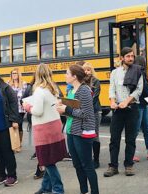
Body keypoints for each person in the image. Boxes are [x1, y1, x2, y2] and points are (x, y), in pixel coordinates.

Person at [23, 63, 67, 194]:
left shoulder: (39, 91)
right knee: (50, 159)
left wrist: (27, 106)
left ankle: (58, 189)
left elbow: (37, 111)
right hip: (55, 126)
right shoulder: (53, 89)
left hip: (43, 129)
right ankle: (46, 187)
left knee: (47, 161)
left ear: (37, 74)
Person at [57, 64, 99, 194]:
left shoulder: (84, 90)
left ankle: (94, 191)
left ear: (74, 77)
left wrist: (66, 109)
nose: (65, 75)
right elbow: (72, 111)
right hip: (71, 131)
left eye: (67, 73)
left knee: (87, 165)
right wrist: (62, 109)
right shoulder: (70, 90)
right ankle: (84, 191)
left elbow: (86, 113)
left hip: (82, 132)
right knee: (77, 165)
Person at [104, 47, 143, 177]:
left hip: (132, 109)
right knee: (114, 139)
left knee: (130, 139)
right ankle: (113, 166)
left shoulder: (138, 71)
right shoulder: (115, 73)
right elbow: (111, 89)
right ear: (122, 58)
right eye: (128, 56)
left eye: (132, 56)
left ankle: (129, 165)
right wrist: (112, 101)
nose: (131, 58)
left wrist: (127, 101)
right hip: (117, 110)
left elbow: (138, 90)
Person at [133, 56, 148, 162]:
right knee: (145, 128)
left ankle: (147, 149)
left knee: (139, 129)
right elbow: (145, 89)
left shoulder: (135, 73)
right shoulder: (140, 73)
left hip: (141, 104)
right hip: (140, 105)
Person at [83, 62, 102, 169]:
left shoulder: (96, 81)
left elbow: (95, 97)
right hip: (84, 111)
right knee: (85, 136)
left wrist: (85, 107)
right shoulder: (80, 82)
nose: (86, 72)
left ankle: (96, 160)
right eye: (85, 70)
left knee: (95, 135)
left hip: (94, 111)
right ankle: (87, 159)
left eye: (88, 70)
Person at [8, 67, 27, 150]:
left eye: (15, 73)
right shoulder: (8, 84)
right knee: (12, 126)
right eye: (12, 73)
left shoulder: (23, 84)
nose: (14, 75)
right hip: (11, 109)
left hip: (20, 109)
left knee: (19, 125)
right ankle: (14, 144)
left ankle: (19, 144)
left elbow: (26, 96)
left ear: (18, 74)